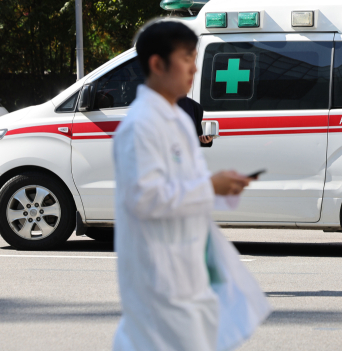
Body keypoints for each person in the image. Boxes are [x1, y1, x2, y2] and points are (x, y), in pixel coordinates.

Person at [112, 19, 270, 351]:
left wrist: (223, 186)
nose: (195, 68)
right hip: (156, 270)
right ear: (157, 64)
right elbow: (146, 199)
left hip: (189, 263)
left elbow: (192, 185)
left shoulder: (181, 122)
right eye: (186, 58)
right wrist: (211, 186)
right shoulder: (139, 126)